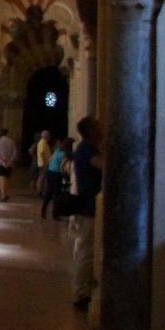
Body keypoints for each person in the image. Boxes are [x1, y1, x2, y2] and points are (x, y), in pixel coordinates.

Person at [68, 117, 104, 311]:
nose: (103, 128)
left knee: (86, 250)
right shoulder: (86, 149)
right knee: (86, 252)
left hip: (89, 206)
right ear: (91, 131)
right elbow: (105, 165)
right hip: (88, 207)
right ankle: (81, 294)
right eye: (99, 126)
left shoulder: (87, 148)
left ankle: (84, 290)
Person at [40, 136, 72, 220]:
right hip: (57, 174)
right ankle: (55, 214)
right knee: (56, 195)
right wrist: (66, 176)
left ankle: (43, 211)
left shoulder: (57, 150)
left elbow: (50, 160)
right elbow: (62, 166)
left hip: (50, 172)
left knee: (48, 192)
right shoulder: (66, 154)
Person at [0, 128, 17, 201]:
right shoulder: (12, 142)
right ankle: (5, 194)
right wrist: (9, 162)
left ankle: (3, 194)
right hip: (9, 164)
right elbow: (14, 154)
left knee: (1, 178)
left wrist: (2, 161)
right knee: (7, 178)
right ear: (7, 133)